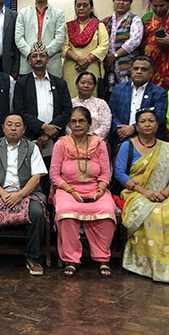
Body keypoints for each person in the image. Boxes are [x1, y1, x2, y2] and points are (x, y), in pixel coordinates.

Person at [116, 109, 169, 284]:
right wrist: (145, 192)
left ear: (157, 125)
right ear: (137, 125)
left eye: (151, 121)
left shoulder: (168, 148)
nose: (147, 124)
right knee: (154, 213)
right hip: (136, 192)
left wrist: (165, 193)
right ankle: (147, 264)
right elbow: (119, 173)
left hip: (164, 192)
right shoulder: (128, 146)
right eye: (143, 121)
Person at [0, 113, 47, 275]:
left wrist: (20, 195)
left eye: (17, 125)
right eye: (9, 124)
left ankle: (33, 258)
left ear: (24, 129)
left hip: (27, 193)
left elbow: (36, 177)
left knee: (37, 212)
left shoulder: (32, 148)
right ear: (3, 128)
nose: (13, 128)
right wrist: (3, 193)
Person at [51, 107, 116, 276]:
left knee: (107, 211)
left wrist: (101, 189)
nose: (77, 125)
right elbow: (54, 175)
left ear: (89, 124)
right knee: (66, 213)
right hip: (67, 190)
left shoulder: (99, 144)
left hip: (96, 189)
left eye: (81, 121)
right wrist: (71, 191)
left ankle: (102, 258)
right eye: (73, 121)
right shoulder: (61, 144)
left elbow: (106, 172)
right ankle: (71, 260)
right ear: (69, 125)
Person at [12, 42, 72, 161]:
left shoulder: (60, 83)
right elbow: (20, 111)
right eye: (34, 56)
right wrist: (42, 127)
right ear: (29, 60)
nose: (38, 59)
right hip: (31, 138)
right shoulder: (21, 84)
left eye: (42, 56)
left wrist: (49, 134)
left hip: (56, 138)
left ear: (48, 59)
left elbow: (67, 110)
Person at [108, 56, 169, 151]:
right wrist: (119, 128)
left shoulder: (159, 93)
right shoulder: (118, 89)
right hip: (120, 138)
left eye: (143, 69)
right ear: (131, 71)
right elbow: (110, 112)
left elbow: (159, 116)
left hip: (149, 142)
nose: (139, 72)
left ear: (150, 73)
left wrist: (133, 128)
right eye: (136, 69)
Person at [14, 0, 66, 76]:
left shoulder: (59, 13)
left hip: (51, 64)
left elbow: (59, 38)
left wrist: (44, 55)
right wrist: (31, 54)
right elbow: (18, 38)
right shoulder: (23, 13)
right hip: (28, 64)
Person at [62, 0, 109, 97]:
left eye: (85, 5)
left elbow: (103, 46)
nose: (81, 8)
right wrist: (78, 59)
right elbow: (63, 47)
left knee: (91, 98)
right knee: (71, 97)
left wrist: (87, 60)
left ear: (91, 8)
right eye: (78, 5)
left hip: (92, 67)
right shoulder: (67, 26)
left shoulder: (99, 25)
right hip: (72, 68)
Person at [102, 0, 143, 91]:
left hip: (127, 66)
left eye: (125, 0)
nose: (121, 2)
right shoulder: (105, 21)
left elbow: (134, 41)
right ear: (113, 1)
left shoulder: (134, 20)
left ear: (130, 3)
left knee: (127, 93)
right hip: (108, 67)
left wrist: (115, 56)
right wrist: (108, 58)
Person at [71, 72, 111, 139]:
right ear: (76, 85)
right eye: (82, 82)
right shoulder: (70, 103)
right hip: (73, 141)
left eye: (90, 83)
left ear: (94, 87)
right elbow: (66, 125)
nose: (86, 85)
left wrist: (92, 139)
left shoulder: (101, 103)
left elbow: (106, 125)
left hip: (96, 141)